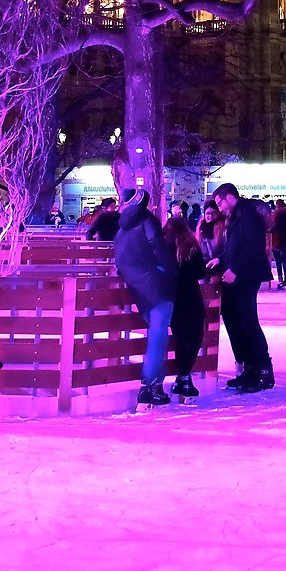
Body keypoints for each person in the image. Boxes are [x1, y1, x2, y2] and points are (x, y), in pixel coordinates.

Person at [113, 173, 178, 407]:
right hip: (157, 286)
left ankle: (155, 385)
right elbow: (158, 249)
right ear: (143, 203)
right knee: (158, 337)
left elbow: (120, 262)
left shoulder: (121, 230)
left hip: (138, 288)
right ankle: (149, 386)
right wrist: (169, 270)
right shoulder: (147, 221)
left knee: (156, 335)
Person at [210, 184, 274, 391]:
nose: (219, 208)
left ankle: (263, 371)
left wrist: (236, 269)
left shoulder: (247, 214)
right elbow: (234, 247)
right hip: (235, 276)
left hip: (247, 276)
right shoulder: (235, 217)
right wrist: (220, 260)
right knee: (233, 320)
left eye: (220, 203)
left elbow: (254, 246)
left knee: (248, 322)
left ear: (229, 198)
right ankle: (248, 369)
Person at [166, 212, 211, 400]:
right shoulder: (191, 247)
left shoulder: (162, 246)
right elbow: (201, 272)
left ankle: (182, 378)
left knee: (180, 338)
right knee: (194, 338)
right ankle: (184, 377)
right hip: (191, 297)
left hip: (171, 297)